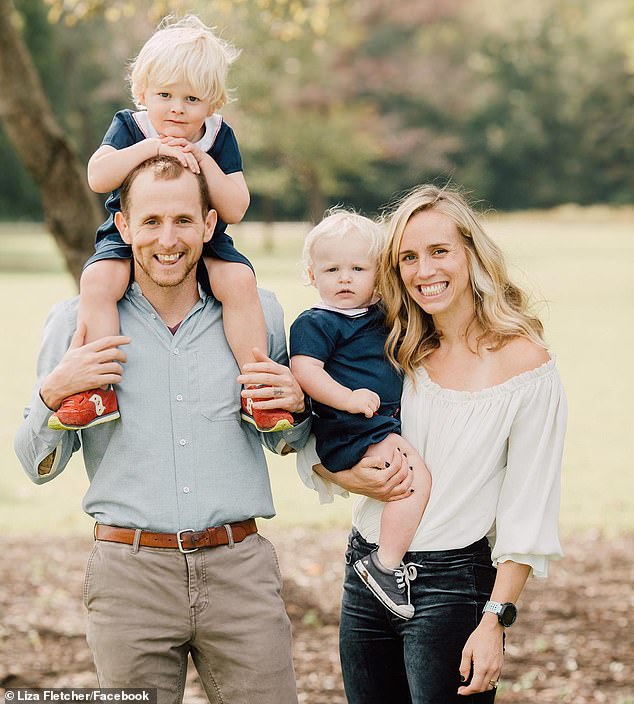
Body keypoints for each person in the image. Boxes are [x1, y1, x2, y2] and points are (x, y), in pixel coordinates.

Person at [15, 156, 311, 704]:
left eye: (182, 220)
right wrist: (52, 394)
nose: (167, 239)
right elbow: (34, 468)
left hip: (239, 571)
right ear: (124, 227)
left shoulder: (258, 314)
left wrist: (297, 407)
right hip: (129, 578)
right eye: (150, 221)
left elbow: (282, 440)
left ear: (208, 225)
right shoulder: (76, 320)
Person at [298, 185, 567, 703]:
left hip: (453, 588)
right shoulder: (392, 344)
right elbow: (322, 434)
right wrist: (341, 474)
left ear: (471, 253)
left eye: (439, 251)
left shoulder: (526, 366)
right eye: (408, 258)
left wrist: (495, 621)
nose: (424, 271)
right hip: (367, 573)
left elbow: (528, 508)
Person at [48, 14, 292, 433]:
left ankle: (258, 391)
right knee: (99, 282)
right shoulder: (132, 126)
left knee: (239, 283)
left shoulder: (217, 137)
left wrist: (203, 161)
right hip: (131, 233)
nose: (177, 108)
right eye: (165, 94)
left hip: (204, 234)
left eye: (192, 100)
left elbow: (235, 207)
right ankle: (97, 389)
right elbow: (97, 176)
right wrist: (149, 148)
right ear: (142, 92)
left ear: (212, 104)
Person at [289, 210, 432, 619]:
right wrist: (348, 398)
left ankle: (386, 560)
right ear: (312, 275)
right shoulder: (317, 323)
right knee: (413, 482)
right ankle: (385, 565)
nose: (345, 278)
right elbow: (306, 371)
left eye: (357, 268)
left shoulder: (380, 315)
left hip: (375, 423)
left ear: (378, 273)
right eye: (332, 269)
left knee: (408, 480)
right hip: (351, 428)